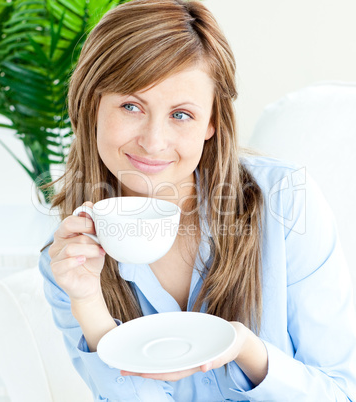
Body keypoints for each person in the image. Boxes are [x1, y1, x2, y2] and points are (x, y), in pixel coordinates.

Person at [38, 0, 356, 400]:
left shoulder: (286, 202)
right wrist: (89, 306)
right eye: (131, 106)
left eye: (181, 114)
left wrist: (244, 349)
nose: (153, 141)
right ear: (91, 107)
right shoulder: (69, 262)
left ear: (211, 122)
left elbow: (342, 392)